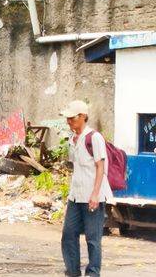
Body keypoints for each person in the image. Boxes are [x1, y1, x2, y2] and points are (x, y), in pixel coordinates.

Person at [60, 100, 112, 277]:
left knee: (93, 239)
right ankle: (73, 271)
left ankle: (93, 273)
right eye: (67, 119)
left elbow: (100, 167)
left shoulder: (94, 138)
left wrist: (96, 194)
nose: (69, 122)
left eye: (72, 118)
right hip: (75, 197)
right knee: (68, 235)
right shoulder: (72, 139)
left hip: (92, 195)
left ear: (82, 117)